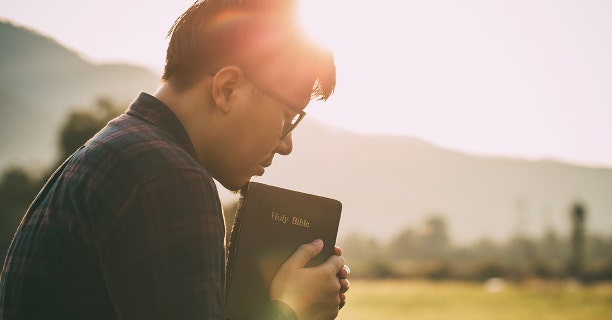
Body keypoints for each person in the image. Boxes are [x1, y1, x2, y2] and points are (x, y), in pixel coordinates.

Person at [0, 0, 350, 319]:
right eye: (288, 118)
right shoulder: (168, 176)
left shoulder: (121, 152)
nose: (287, 145)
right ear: (227, 88)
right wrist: (290, 310)